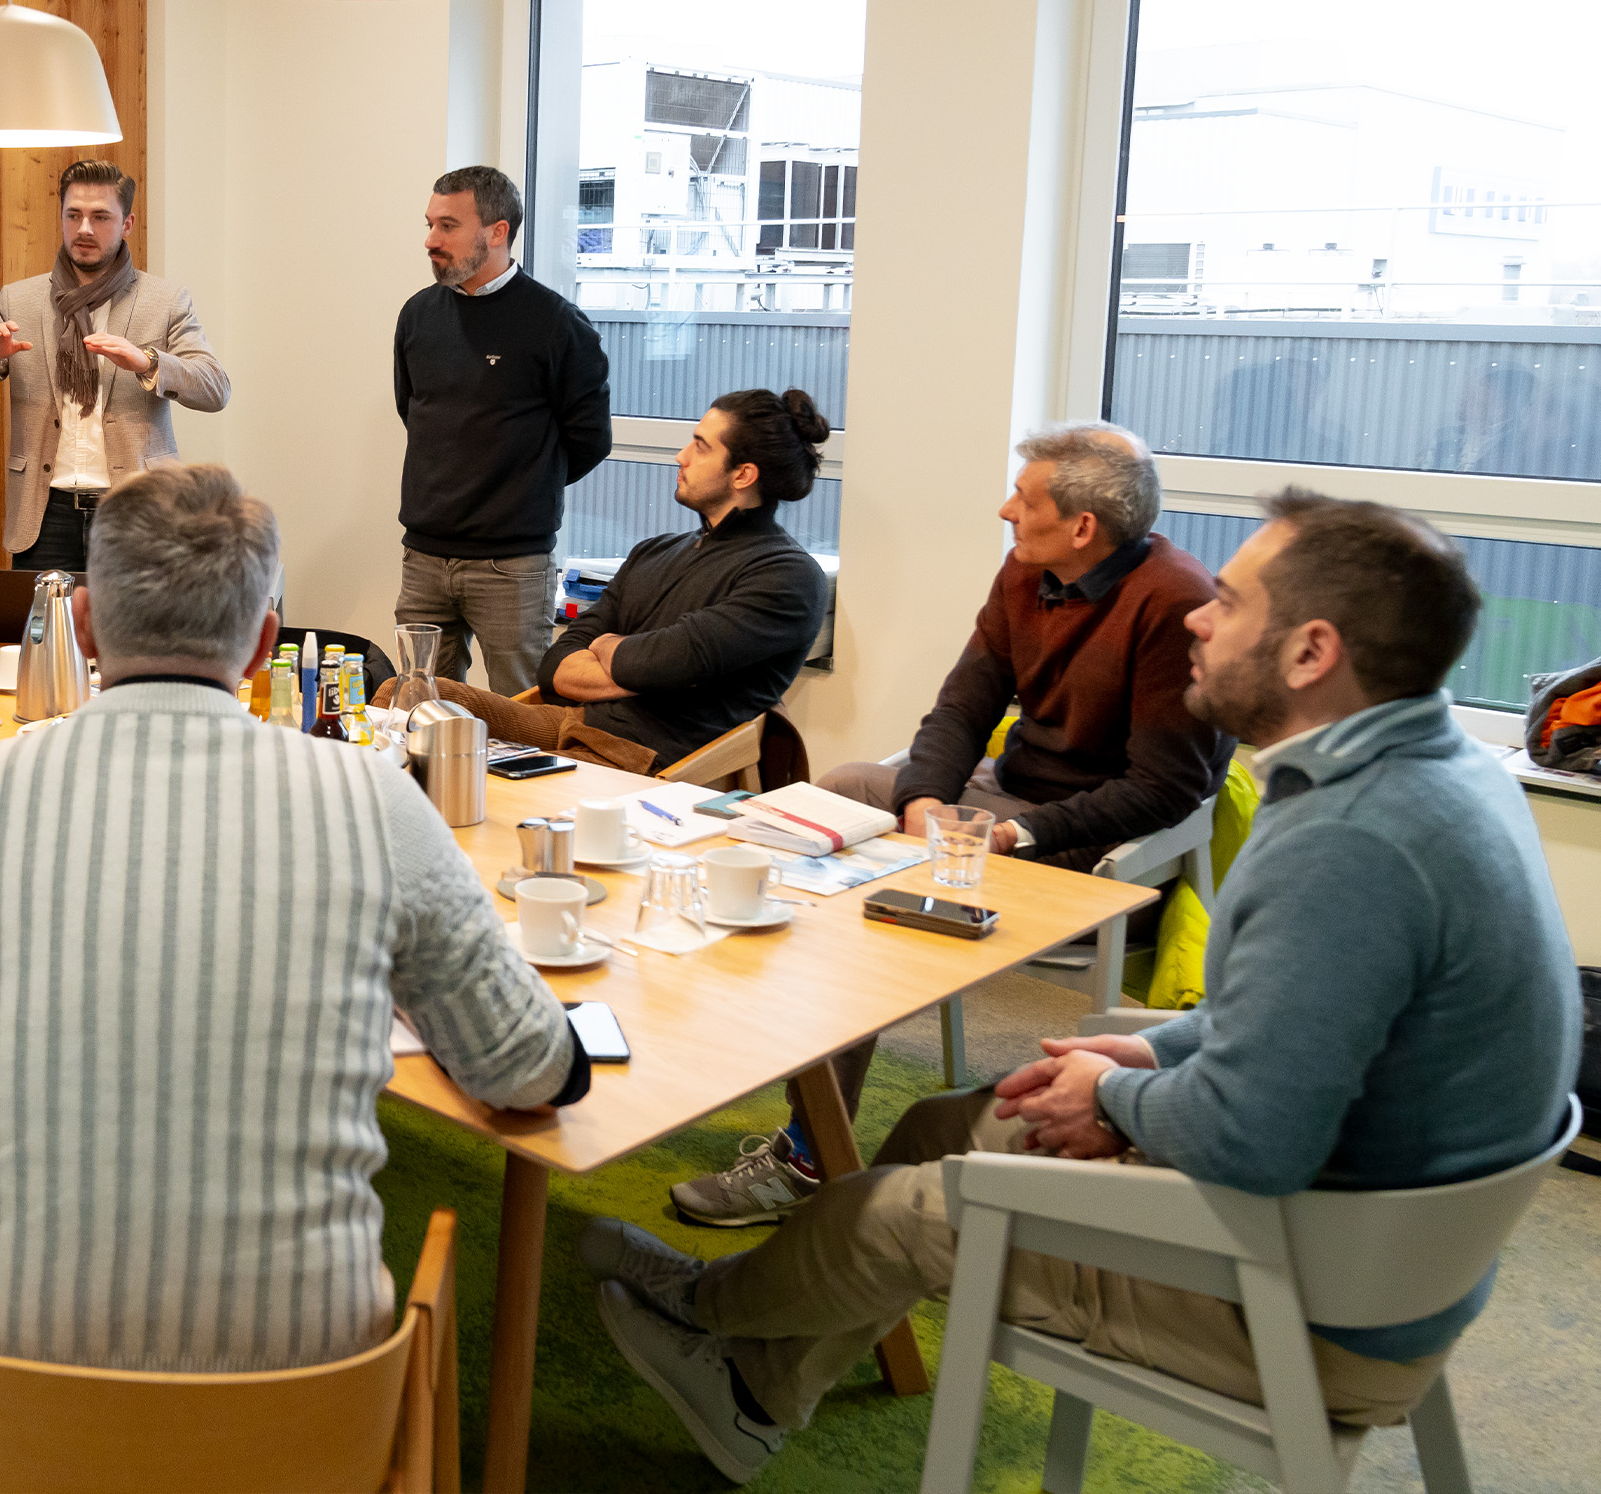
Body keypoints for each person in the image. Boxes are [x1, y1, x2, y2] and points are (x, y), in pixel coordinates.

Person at [580, 490, 1579, 1485]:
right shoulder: (1440, 769)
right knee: (942, 1125)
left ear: (1309, 652)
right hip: (1378, 1244)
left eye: (1225, 603)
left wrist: (1110, 1096)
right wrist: (1146, 1056)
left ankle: (715, 1319)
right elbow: (1299, 1026)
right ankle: (749, 1368)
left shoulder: (1347, 840)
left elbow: (1248, 1139)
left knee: (907, 1210)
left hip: (1308, 1299)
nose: (1195, 612)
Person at [0, 463, 586, 1371]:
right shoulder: (371, 801)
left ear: (81, 626)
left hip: (7, 1412)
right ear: (267, 640)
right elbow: (531, 1069)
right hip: (308, 1416)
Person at [676, 422, 1231, 1228]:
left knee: (859, 921)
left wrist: (1009, 836)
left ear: (1081, 526)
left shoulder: (1175, 602)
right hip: (994, 798)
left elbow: (1161, 789)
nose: (1006, 510)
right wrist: (925, 797)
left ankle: (805, 1155)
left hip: (1092, 838)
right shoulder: (1027, 568)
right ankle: (735, 1038)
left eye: (1024, 497)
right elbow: (965, 700)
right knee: (827, 797)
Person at [390, 390, 828, 776]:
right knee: (406, 692)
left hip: (642, 757)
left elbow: (661, 662)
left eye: (700, 447)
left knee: (470, 778)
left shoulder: (786, 576)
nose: (682, 457)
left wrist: (615, 652)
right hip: (570, 724)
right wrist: (642, 664)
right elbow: (555, 665)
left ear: (743, 475)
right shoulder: (657, 550)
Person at [0, 160, 230, 573]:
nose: (84, 229)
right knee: (46, 638)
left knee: (132, 638)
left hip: (137, 510)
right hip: (45, 514)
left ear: (127, 224)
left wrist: (146, 362)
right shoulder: (19, 300)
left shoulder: (164, 301)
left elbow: (216, 388)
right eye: (73, 215)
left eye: (100, 217)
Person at [392, 164, 611, 696]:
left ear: (497, 232)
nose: (430, 241)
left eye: (448, 226)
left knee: (527, 716)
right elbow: (413, 411)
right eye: (430, 224)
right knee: (419, 710)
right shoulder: (418, 315)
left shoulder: (557, 324)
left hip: (511, 566)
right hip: (423, 559)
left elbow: (589, 441)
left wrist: (518, 488)